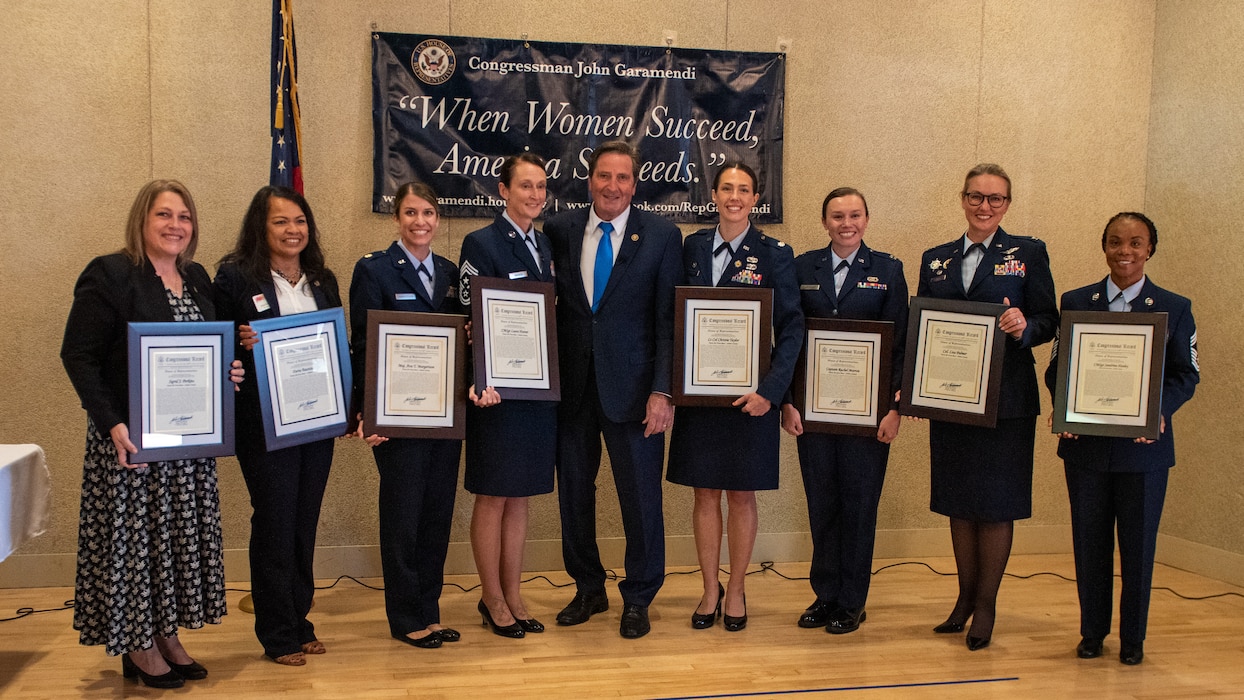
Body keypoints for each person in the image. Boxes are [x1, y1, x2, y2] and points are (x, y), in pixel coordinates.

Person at [61, 179, 244, 688]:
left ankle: (167, 636)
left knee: (172, 545)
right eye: (164, 215)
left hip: (187, 450)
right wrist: (112, 423)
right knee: (137, 546)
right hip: (132, 445)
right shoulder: (112, 273)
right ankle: (139, 647)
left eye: (184, 217)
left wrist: (226, 372)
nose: (175, 226)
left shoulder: (199, 278)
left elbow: (210, 348)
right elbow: (78, 355)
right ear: (142, 220)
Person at [543, 140, 683, 639]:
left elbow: (670, 320)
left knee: (641, 498)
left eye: (623, 178)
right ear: (589, 180)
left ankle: (640, 595)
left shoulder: (663, 236)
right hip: (573, 390)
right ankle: (588, 588)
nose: (613, 187)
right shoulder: (558, 229)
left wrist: (663, 392)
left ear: (635, 183)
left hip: (636, 393)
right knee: (575, 493)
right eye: (604, 176)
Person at [1045, 212, 1198, 666]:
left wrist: (1160, 411)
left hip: (1143, 452)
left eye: (1136, 243)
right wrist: (1064, 404)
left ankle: (1134, 639)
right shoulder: (1076, 300)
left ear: (1150, 248)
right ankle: (1092, 633)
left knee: (1138, 549)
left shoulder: (1175, 306)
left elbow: (1186, 375)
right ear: (1104, 246)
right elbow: (1058, 367)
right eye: (1115, 242)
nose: (1125, 251)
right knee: (1089, 545)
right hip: (1086, 447)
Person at [916, 163, 1057, 650]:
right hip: (953, 401)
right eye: (976, 196)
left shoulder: (1029, 253)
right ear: (962, 199)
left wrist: (1025, 327)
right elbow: (924, 329)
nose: (984, 206)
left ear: (1007, 205)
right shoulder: (936, 259)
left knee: (996, 505)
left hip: (1008, 403)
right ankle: (963, 599)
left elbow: (1049, 320)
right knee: (960, 503)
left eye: (995, 199)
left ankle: (988, 605)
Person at [667, 163, 803, 631]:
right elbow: (678, 315)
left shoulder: (774, 253)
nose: (734, 196)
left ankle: (738, 588)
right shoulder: (694, 246)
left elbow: (791, 328)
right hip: (701, 397)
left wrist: (772, 392)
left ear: (756, 198)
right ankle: (709, 589)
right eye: (727, 188)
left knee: (742, 495)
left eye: (744, 190)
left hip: (752, 399)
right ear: (713, 194)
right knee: (705, 493)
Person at [213, 185, 341, 666]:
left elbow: (336, 346)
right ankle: (277, 633)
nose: (293, 231)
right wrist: (237, 339)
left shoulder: (322, 278)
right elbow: (213, 344)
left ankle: (299, 617)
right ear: (260, 228)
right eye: (281, 222)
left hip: (317, 421)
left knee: (304, 522)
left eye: (300, 221)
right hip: (264, 426)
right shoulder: (233, 278)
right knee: (274, 521)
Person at [780, 187, 908, 634]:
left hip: (868, 418)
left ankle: (852, 600)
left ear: (867, 220)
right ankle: (825, 594)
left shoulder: (889, 271)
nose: (846, 223)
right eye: (837, 216)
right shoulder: (801, 269)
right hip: (813, 414)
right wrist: (788, 402)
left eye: (854, 215)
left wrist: (895, 409)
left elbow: (902, 347)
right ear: (825, 222)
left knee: (859, 506)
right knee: (823, 504)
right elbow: (790, 340)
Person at [349, 181, 464, 649]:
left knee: (437, 516)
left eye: (429, 214)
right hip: (396, 419)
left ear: (438, 219)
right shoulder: (374, 270)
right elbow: (362, 345)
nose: (421, 222)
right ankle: (405, 617)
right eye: (412, 213)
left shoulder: (451, 272)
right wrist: (366, 412)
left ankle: (430, 611)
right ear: (397, 217)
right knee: (403, 516)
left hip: (443, 415)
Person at [457, 153, 557, 638]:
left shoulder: (545, 242)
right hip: (496, 393)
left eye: (541, 186)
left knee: (522, 498)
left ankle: (514, 593)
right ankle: (491, 597)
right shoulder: (482, 243)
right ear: (503, 190)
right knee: (494, 496)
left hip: (536, 392)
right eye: (525, 186)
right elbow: (470, 320)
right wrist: (480, 377)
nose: (535, 195)